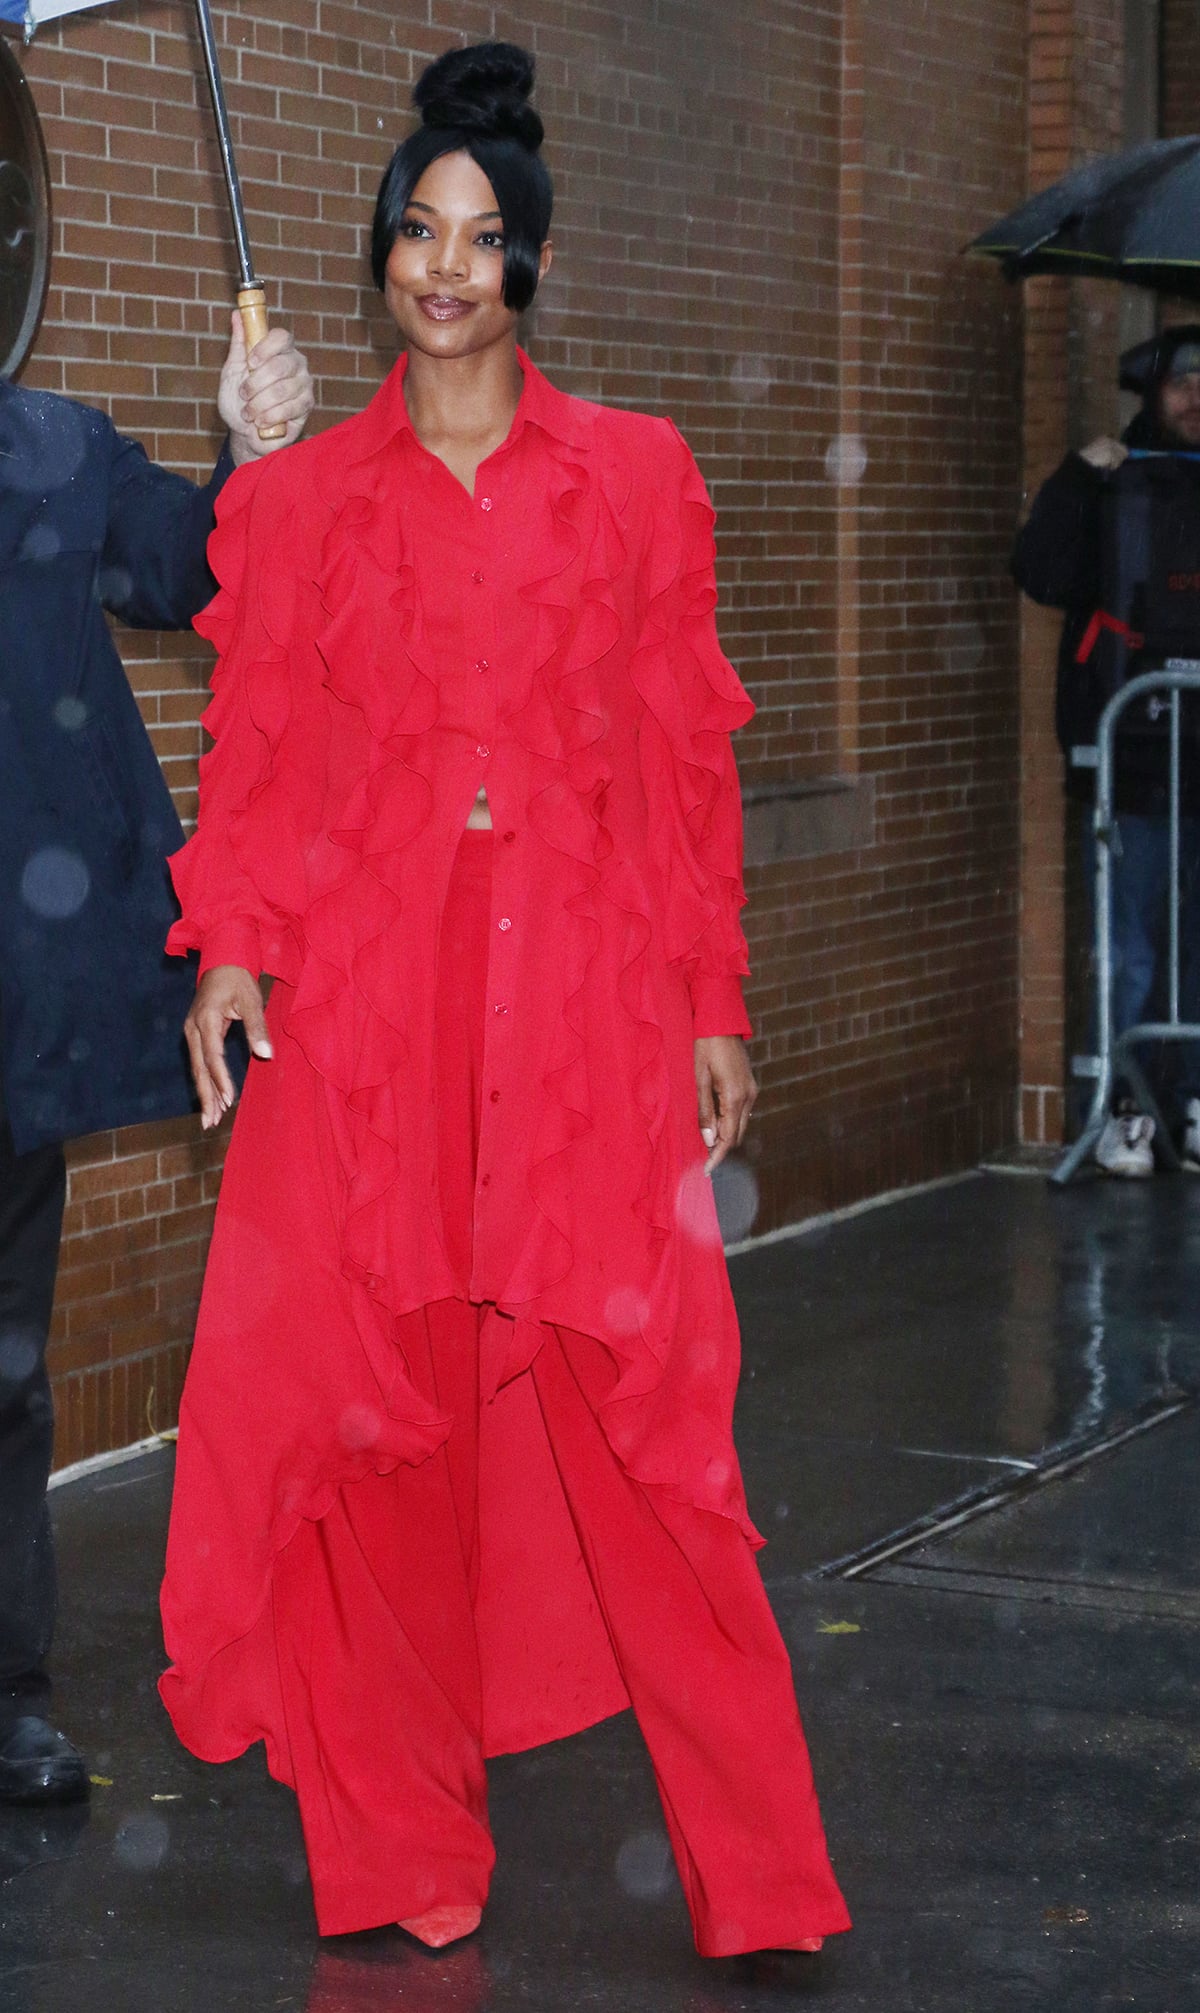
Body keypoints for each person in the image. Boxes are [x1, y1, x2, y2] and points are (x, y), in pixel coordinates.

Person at [158, 43, 850, 1960]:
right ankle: (400, 1859)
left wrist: (714, 997)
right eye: (417, 232)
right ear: (380, 253)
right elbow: (264, 755)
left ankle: (765, 1878)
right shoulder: (299, 500)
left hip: (583, 997)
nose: (445, 267)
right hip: (369, 1003)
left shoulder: (635, 475)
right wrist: (231, 952)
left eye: (482, 238)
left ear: (531, 265)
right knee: (383, 1423)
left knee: (657, 1436)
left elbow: (683, 760)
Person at [0, 314, 312, 1807]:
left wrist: (248, 450)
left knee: (2, 1372)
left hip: (11, 1011)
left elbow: (194, 567)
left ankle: (6, 1696)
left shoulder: (54, 454)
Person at [1013, 325, 1200, 1177]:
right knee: (1128, 945)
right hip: (1131, 762)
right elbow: (1043, 573)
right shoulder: (1114, 482)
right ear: (1150, 390)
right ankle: (1124, 1109)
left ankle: (1190, 1105)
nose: (1196, 397)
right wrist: (1079, 478)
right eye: (1182, 381)